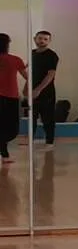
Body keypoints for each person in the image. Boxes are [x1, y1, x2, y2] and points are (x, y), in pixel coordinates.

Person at [0, 34, 25, 165]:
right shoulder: (15, 60)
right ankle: (4, 155)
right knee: (11, 130)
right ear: (7, 45)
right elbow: (28, 78)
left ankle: (5, 155)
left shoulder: (16, 60)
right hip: (10, 97)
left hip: (10, 97)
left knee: (3, 128)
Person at [30, 30, 57, 151]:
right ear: (35, 39)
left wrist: (38, 90)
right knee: (32, 117)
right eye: (40, 38)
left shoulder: (52, 55)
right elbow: (29, 72)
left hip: (47, 93)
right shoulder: (32, 53)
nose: (42, 41)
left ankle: (49, 143)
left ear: (49, 41)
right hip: (32, 91)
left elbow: (50, 75)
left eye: (45, 39)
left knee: (48, 118)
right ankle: (30, 141)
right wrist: (27, 88)